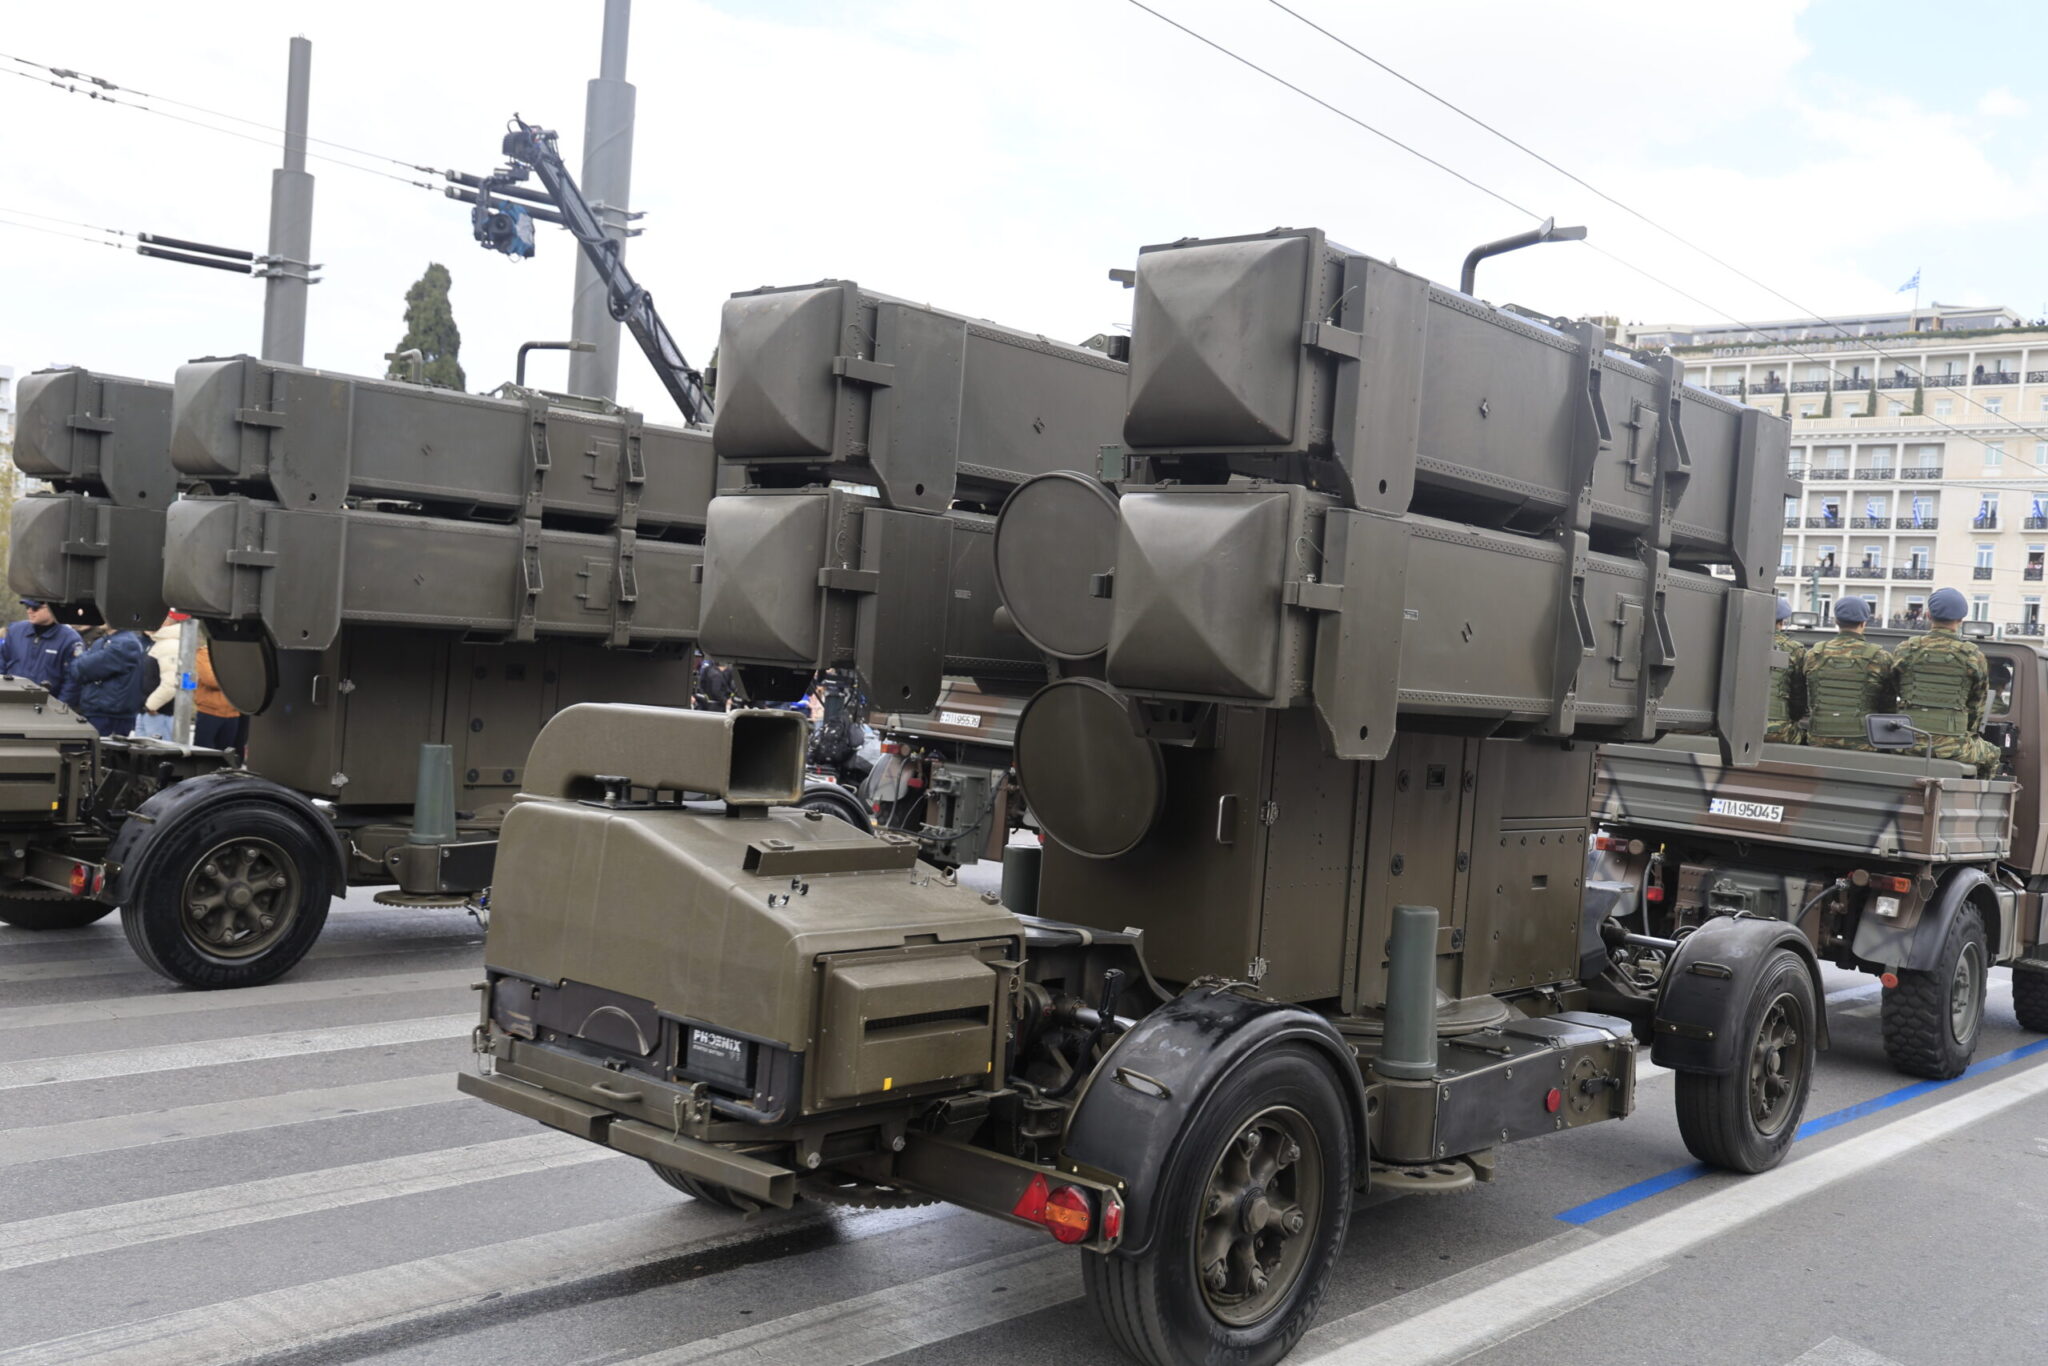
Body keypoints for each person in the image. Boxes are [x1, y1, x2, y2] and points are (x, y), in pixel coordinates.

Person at [1889, 587, 2001, 778]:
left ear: (1928, 615)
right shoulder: (1973, 656)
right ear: (1961, 620)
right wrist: (1965, 733)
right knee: (1993, 754)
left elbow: (1893, 689)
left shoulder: (1905, 649)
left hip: (1905, 742)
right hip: (1953, 747)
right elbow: (1976, 705)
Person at [1800, 597, 1893, 753]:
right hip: (1864, 741)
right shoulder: (1880, 657)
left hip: (1819, 738)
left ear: (1836, 621)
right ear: (1864, 622)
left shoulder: (1813, 655)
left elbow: (1802, 695)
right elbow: (1889, 706)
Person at [69, 626, 150, 737]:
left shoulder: (125, 643)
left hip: (112, 717)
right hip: (95, 711)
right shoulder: (101, 641)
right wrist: (81, 664)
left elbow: (84, 668)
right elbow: (75, 669)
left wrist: (81, 663)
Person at [0, 599, 84, 702]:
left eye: (35, 608)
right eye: (27, 607)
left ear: (52, 608)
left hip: (48, 703)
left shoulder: (70, 639)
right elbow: (2, 663)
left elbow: (72, 681)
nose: (29, 611)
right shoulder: (15, 631)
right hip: (10, 698)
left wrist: (60, 706)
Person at [133, 614, 187, 740]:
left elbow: (171, 683)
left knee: (156, 750)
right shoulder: (161, 642)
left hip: (159, 714)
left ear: (167, 621)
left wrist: (151, 705)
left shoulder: (170, 645)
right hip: (149, 712)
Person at [192, 643, 249, 754]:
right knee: (203, 753)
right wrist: (238, 678)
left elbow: (249, 677)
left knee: (226, 755)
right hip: (210, 712)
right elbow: (211, 680)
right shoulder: (205, 653)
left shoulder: (238, 654)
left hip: (233, 713)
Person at [1766, 596, 1807, 744]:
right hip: (1778, 731)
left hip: (1734, 728)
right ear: (1782, 622)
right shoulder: (1794, 649)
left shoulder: (1737, 641)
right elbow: (1798, 697)